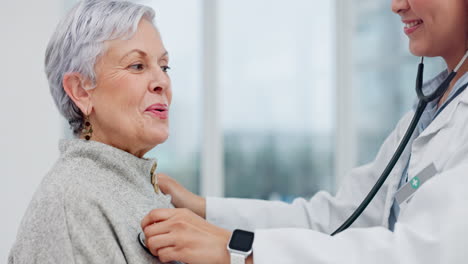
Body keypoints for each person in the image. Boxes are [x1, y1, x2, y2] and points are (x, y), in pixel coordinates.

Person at [140, 0, 468, 263]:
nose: (396, 5)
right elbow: (339, 219)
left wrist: (239, 251)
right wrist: (200, 207)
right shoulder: (431, 108)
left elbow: (424, 253)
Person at [8, 1, 181, 263]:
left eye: (164, 66)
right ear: (80, 91)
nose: (162, 82)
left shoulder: (129, 187)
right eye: (137, 66)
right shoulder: (74, 202)